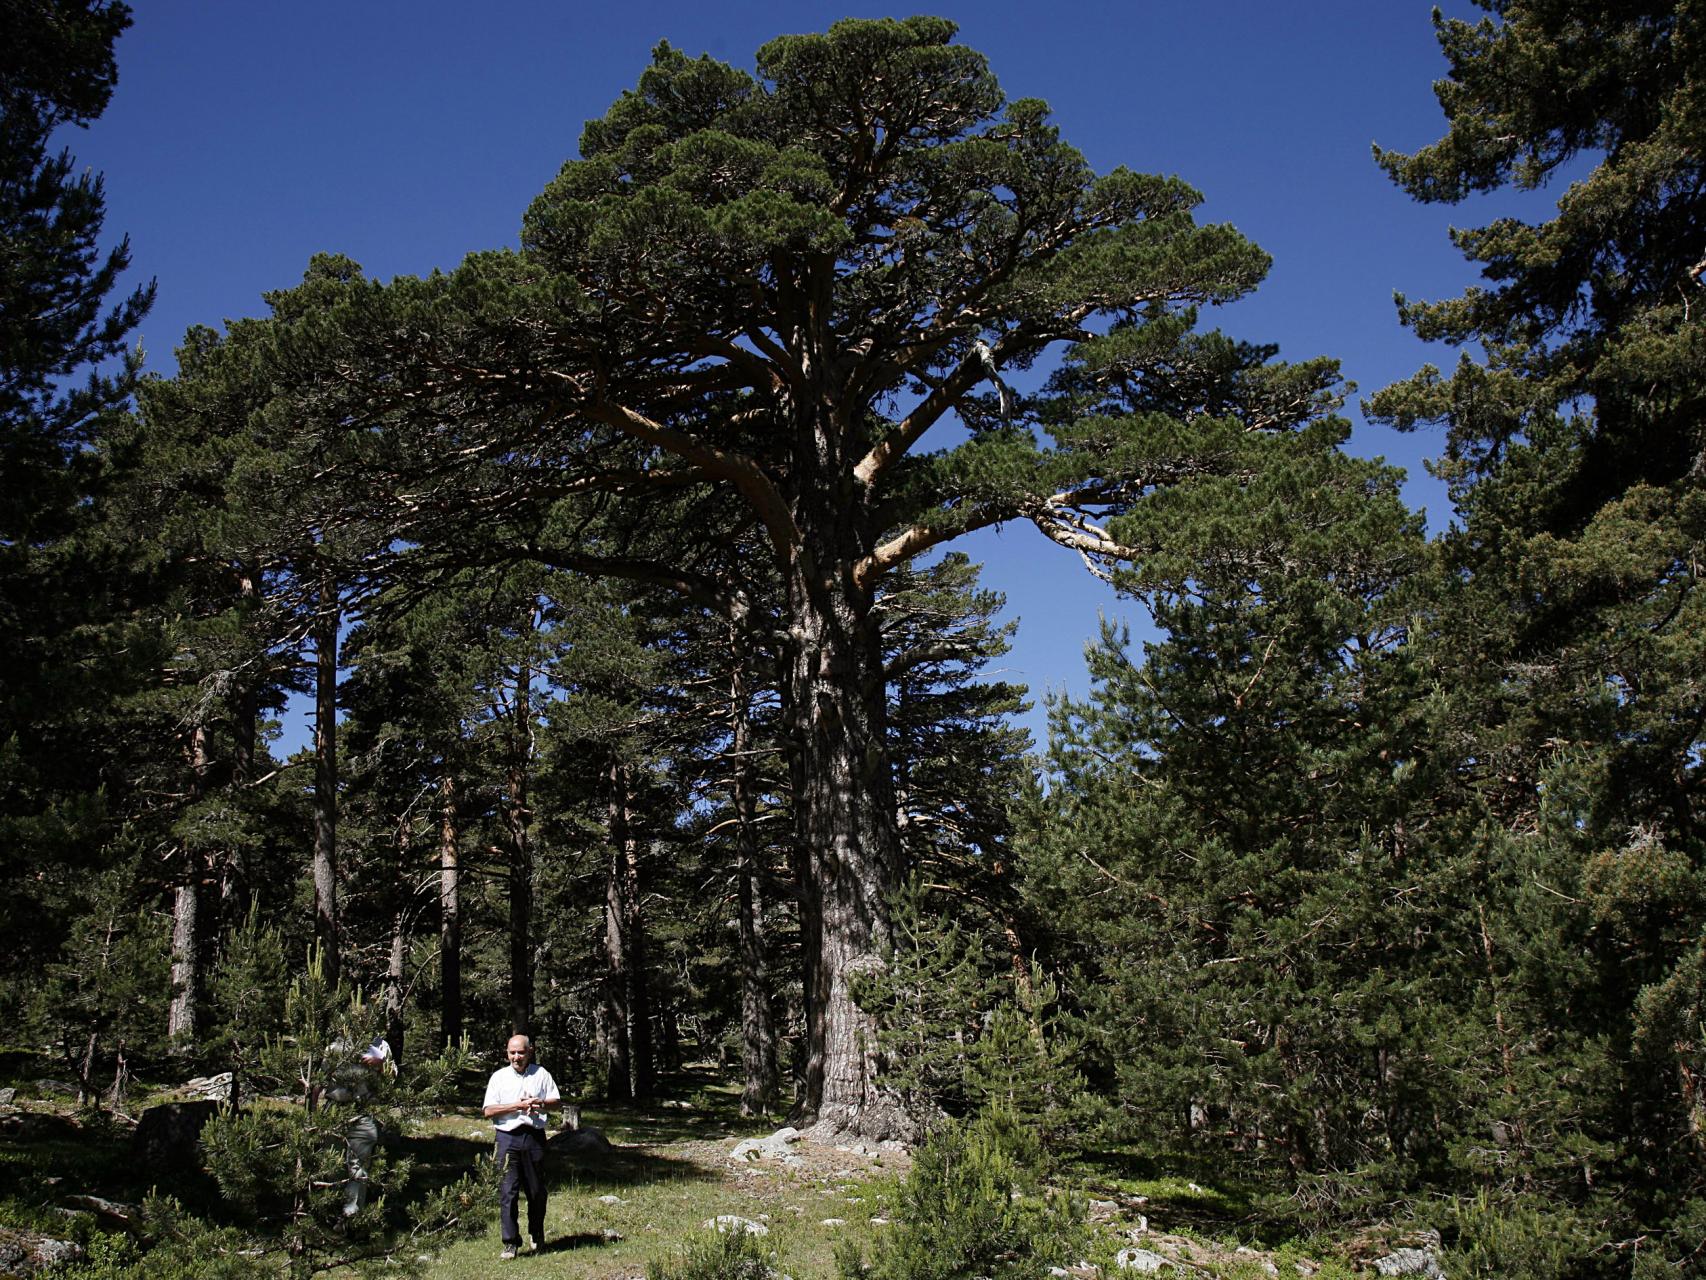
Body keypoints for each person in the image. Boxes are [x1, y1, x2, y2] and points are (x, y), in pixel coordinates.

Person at [482, 1034, 560, 1259]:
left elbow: (557, 1102)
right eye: (512, 1052)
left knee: (536, 1191)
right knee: (508, 1192)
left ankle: (536, 1233)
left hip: (534, 1137)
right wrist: (516, 1106)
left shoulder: (541, 1074)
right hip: (507, 1137)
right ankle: (510, 1242)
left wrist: (540, 1103)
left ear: (530, 1051)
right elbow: (488, 1110)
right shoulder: (499, 1077)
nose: (516, 1057)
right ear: (507, 1053)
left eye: (521, 1052)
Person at [319, 1035, 393, 1218]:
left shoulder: (379, 1045)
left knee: (358, 1164)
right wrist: (312, 1110)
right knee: (332, 1160)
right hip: (334, 1108)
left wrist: (380, 1064)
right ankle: (332, 1209)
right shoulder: (335, 1045)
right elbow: (320, 1079)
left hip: (362, 1111)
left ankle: (351, 1215)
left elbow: (392, 1076)